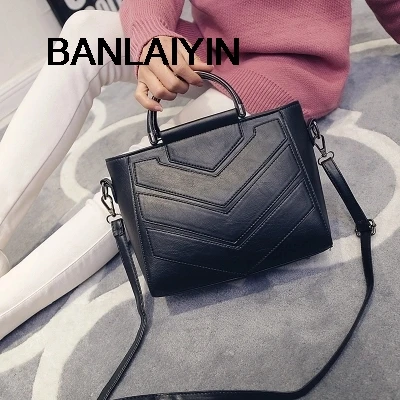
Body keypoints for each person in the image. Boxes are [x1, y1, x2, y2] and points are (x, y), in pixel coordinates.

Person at [0, 0, 398, 340]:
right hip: (222, 47)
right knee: (84, 32)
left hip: (294, 61)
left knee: (156, 169)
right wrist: (153, 39)